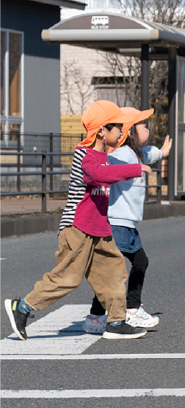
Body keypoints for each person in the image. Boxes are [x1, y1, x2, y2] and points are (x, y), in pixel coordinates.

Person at [4, 100, 151, 341]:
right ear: (102, 130)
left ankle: (115, 322)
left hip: (100, 228)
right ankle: (22, 308)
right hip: (77, 227)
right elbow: (98, 176)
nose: (123, 132)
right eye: (118, 127)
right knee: (68, 278)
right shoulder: (84, 154)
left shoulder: (106, 154)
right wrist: (134, 169)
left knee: (115, 272)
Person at [82, 106, 172, 334]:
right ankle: (105, 314)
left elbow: (149, 154)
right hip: (117, 222)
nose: (148, 129)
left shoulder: (137, 154)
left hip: (127, 223)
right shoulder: (121, 155)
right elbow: (105, 165)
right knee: (116, 271)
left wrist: (162, 152)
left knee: (135, 264)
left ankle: (117, 311)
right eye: (143, 125)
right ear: (130, 132)